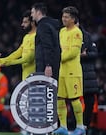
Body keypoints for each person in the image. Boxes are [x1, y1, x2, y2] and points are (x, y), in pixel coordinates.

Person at [53, 6, 85, 135]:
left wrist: (57, 59)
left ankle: (81, 127)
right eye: (63, 16)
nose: (63, 19)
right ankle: (63, 127)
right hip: (62, 71)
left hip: (73, 71)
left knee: (74, 99)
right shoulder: (61, 31)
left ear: (73, 19)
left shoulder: (77, 32)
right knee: (59, 98)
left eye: (66, 17)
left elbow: (73, 52)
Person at [0, 10, 36, 80]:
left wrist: (9, 62)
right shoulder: (26, 37)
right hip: (25, 76)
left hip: (34, 75)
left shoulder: (37, 36)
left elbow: (29, 58)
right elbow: (18, 53)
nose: (22, 24)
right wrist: (3, 60)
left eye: (25, 22)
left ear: (32, 23)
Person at [31, 2, 61, 80]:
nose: (31, 15)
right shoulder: (52, 24)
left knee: (46, 89)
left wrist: (48, 65)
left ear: (38, 12)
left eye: (32, 12)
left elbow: (47, 46)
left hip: (44, 65)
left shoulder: (43, 26)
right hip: (54, 62)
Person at [78, 23, 98, 131]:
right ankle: (76, 125)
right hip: (73, 73)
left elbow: (95, 53)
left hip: (87, 74)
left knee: (89, 102)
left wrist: (85, 55)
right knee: (73, 101)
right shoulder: (64, 35)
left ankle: (85, 125)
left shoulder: (87, 36)